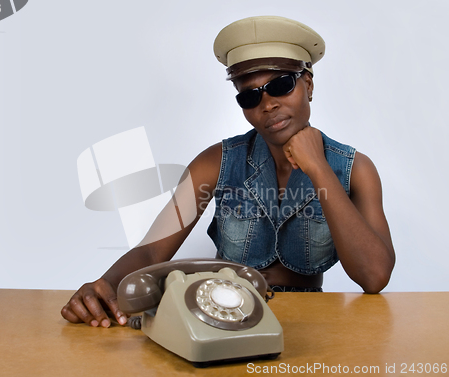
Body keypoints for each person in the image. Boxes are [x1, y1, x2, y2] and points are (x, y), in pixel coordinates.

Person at [61, 16, 395, 328]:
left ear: (307, 84)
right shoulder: (216, 162)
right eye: (249, 96)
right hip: (225, 317)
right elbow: (152, 250)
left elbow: (374, 276)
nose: (268, 104)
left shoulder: (356, 170)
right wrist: (103, 285)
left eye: (281, 85)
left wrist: (319, 167)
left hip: (313, 325)